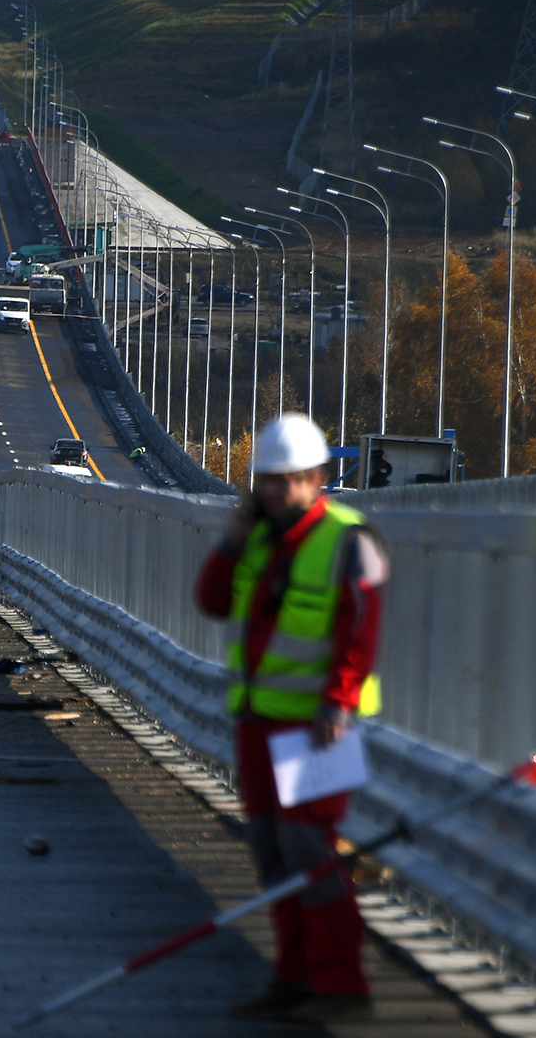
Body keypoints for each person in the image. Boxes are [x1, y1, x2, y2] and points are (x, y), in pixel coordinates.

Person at [194, 412, 386, 1024]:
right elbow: (213, 602)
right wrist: (230, 538)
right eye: (267, 480)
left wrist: (339, 699)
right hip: (257, 719)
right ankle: (293, 976)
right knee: (274, 853)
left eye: (289, 480)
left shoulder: (350, 540)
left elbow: (362, 628)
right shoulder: (256, 537)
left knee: (312, 849)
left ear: (317, 478)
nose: (275, 491)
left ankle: (341, 981)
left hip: (316, 726)